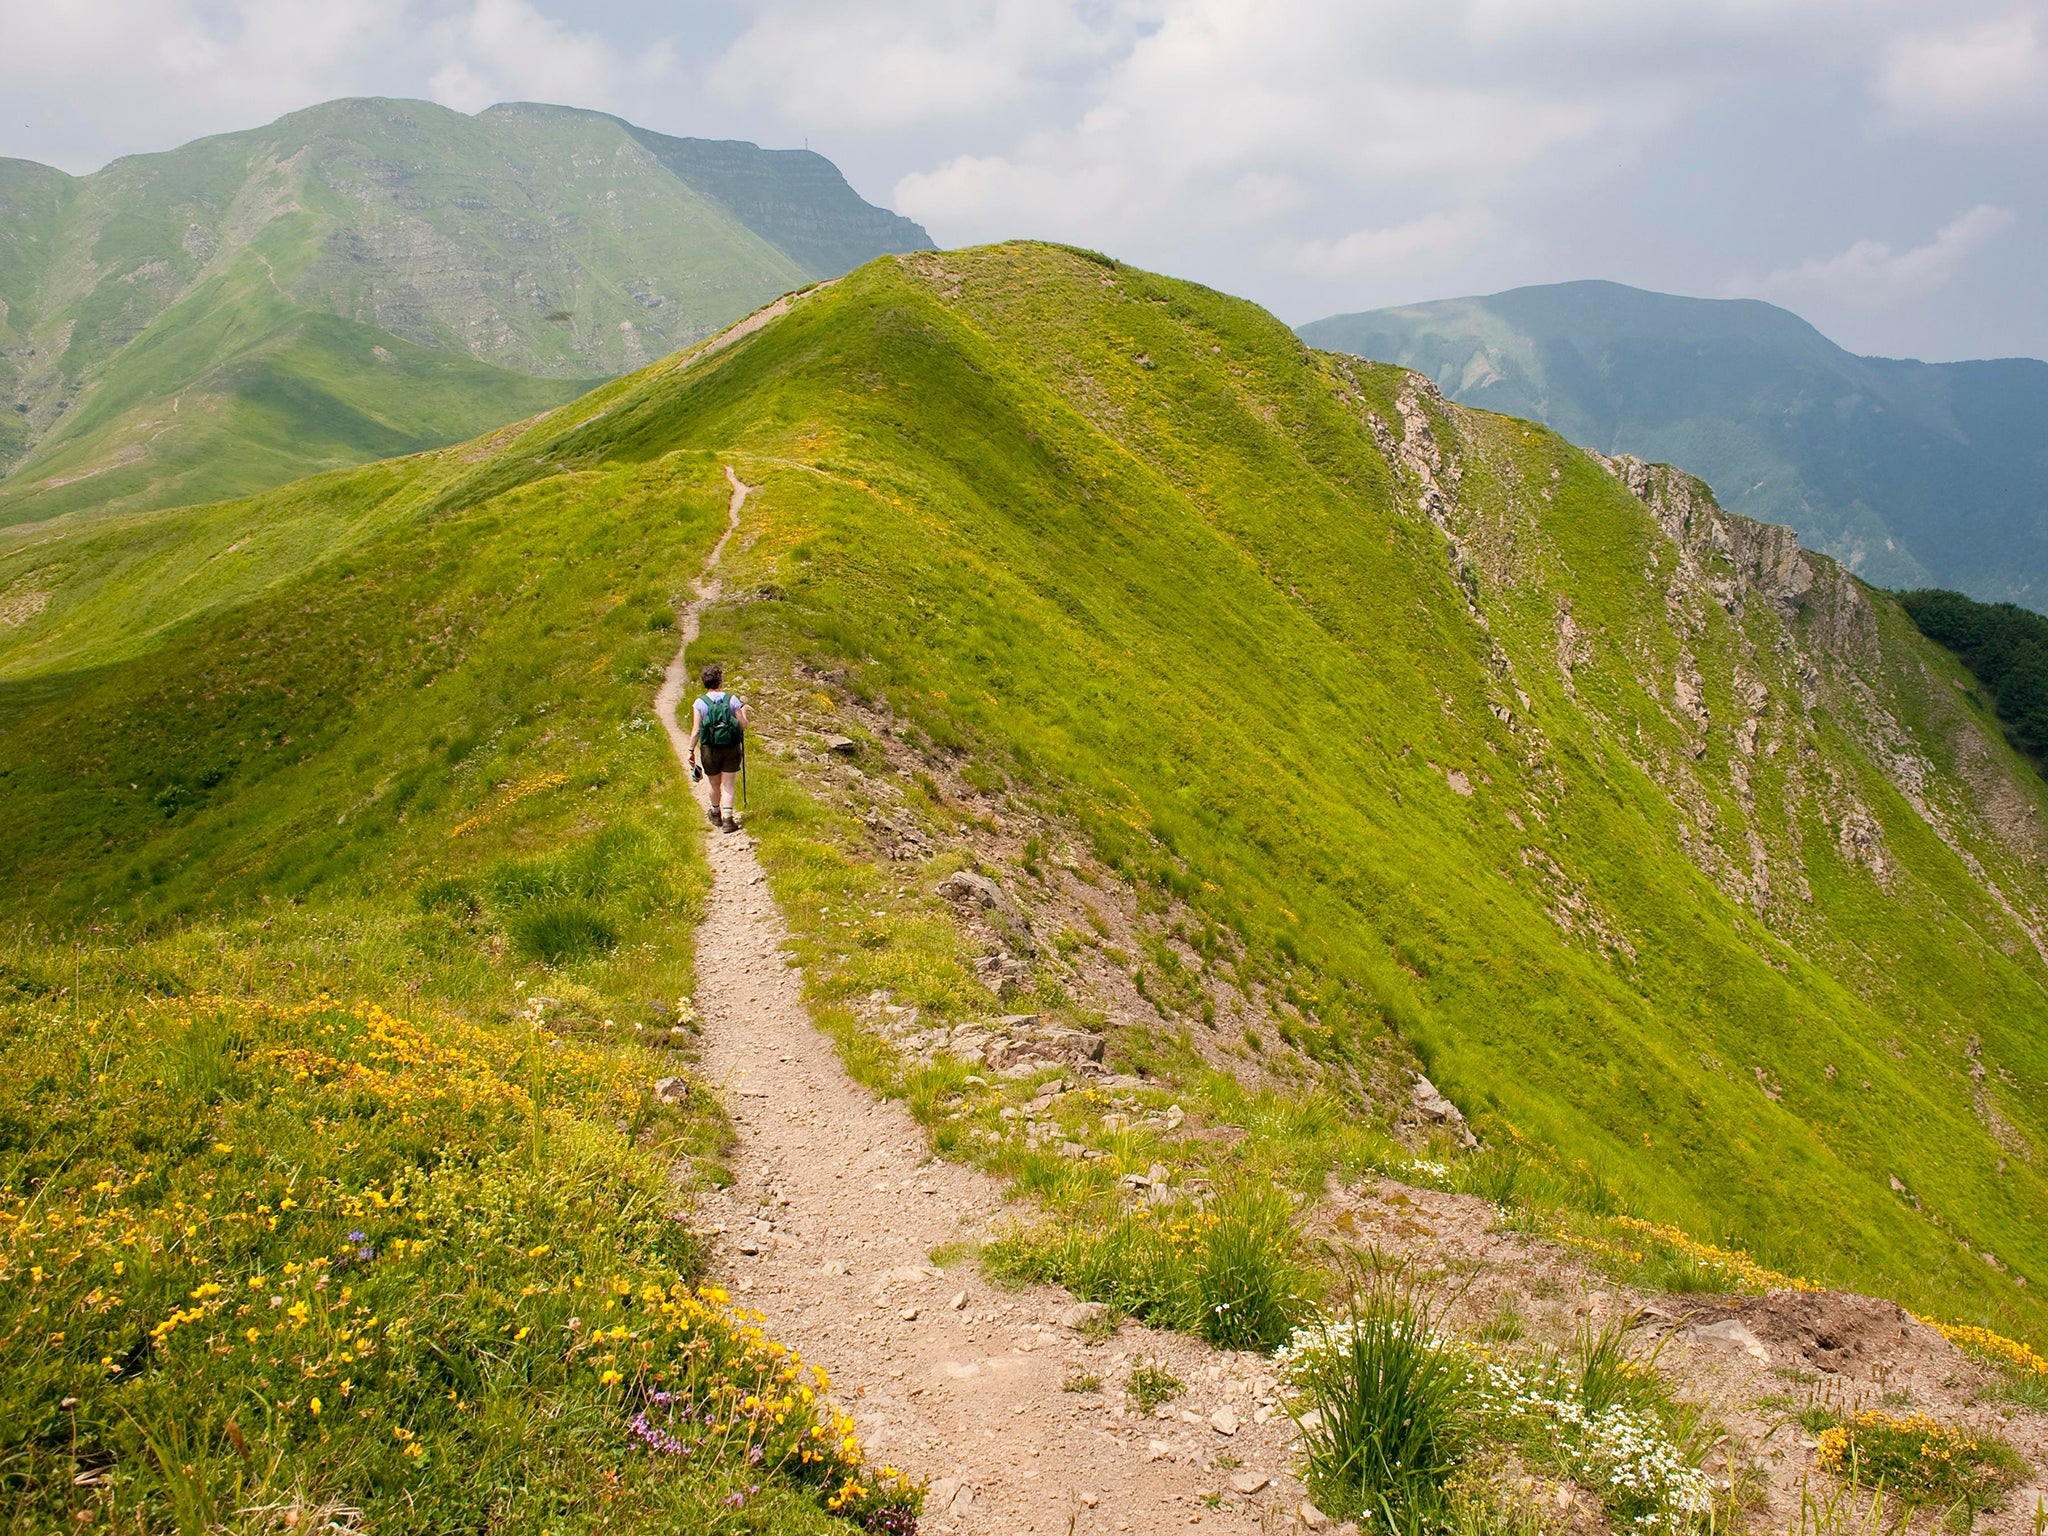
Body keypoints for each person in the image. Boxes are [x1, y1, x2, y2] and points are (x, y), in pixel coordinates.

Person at [687, 662, 749, 833]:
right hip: (731, 747)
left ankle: (715, 813)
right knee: (728, 784)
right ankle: (728, 820)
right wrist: (743, 714)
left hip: (709, 748)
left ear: (704, 682)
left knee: (714, 783)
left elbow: (696, 730)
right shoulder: (732, 699)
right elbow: (743, 725)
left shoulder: (699, 703)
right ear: (720, 680)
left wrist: (691, 750)